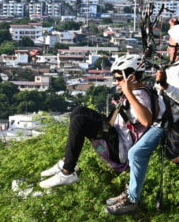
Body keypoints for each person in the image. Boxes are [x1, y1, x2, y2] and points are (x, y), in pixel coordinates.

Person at [104, 23, 179, 215]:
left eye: (171, 44)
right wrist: (177, 27)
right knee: (131, 147)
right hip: (162, 118)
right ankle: (129, 192)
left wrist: (165, 85)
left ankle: (132, 199)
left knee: (135, 153)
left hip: (166, 124)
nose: (167, 48)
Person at [39, 55, 161, 190]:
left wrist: (128, 92)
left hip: (119, 148)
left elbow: (147, 120)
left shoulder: (140, 95)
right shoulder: (138, 90)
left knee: (80, 122)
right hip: (115, 133)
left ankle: (68, 171)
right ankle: (68, 161)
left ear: (131, 78)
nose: (116, 82)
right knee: (79, 111)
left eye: (119, 78)